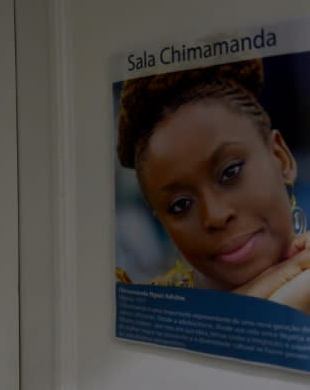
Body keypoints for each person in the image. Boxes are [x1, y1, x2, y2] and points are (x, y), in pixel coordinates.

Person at [116, 58, 310, 315]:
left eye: (230, 172)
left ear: (281, 157)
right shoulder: (150, 316)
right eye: (180, 205)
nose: (215, 216)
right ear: (164, 224)